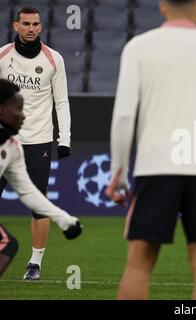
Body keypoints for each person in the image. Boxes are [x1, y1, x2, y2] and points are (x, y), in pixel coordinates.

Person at [106, 0, 196, 300]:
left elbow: (124, 116)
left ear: (163, 6)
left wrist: (118, 172)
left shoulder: (138, 48)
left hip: (155, 167)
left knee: (139, 264)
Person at [0, 6, 72, 280]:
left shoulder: (54, 59)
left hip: (38, 141)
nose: (31, 28)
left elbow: (61, 102)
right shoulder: (2, 56)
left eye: (36, 24)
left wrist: (64, 139)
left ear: (41, 27)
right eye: (26, 23)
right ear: (16, 25)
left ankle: (35, 264)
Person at [0, 79, 81, 278]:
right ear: (1, 109)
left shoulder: (12, 147)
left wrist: (65, 220)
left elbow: (29, 192)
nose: (23, 116)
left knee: (8, 245)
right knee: (7, 244)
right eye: (18, 109)